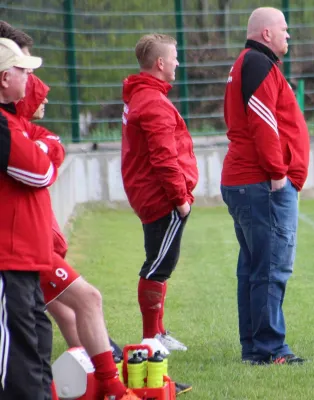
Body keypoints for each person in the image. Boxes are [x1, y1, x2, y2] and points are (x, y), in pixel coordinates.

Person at [17, 73, 141, 400]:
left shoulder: (21, 128)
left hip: (36, 247)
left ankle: (90, 379)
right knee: (87, 299)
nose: (44, 99)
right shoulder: (10, 131)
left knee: (63, 313)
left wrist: (45, 146)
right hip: (23, 250)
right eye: (37, 91)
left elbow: (53, 145)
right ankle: (110, 384)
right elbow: (40, 171)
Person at [221, 7, 310, 365]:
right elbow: (262, 121)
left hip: (246, 181)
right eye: (284, 29)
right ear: (266, 33)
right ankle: (270, 348)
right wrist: (277, 172)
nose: (289, 35)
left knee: (254, 268)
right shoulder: (258, 63)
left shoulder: (252, 63)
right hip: (261, 183)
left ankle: (255, 347)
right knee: (271, 268)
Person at [121, 33, 198, 352]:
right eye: (175, 57)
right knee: (158, 265)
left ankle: (158, 332)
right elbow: (164, 157)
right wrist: (180, 198)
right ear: (160, 63)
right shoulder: (152, 102)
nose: (178, 63)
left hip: (150, 194)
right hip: (161, 198)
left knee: (159, 261)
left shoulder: (142, 96)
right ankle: (150, 337)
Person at [0, 36, 55, 400]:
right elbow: (40, 171)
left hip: (26, 256)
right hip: (8, 257)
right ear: (5, 77)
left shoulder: (12, 120)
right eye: (23, 70)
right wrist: (47, 148)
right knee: (17, 355)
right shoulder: (4, 125)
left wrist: (44, 145)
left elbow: (44, 149)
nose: (29, 78)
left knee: (37, 339)